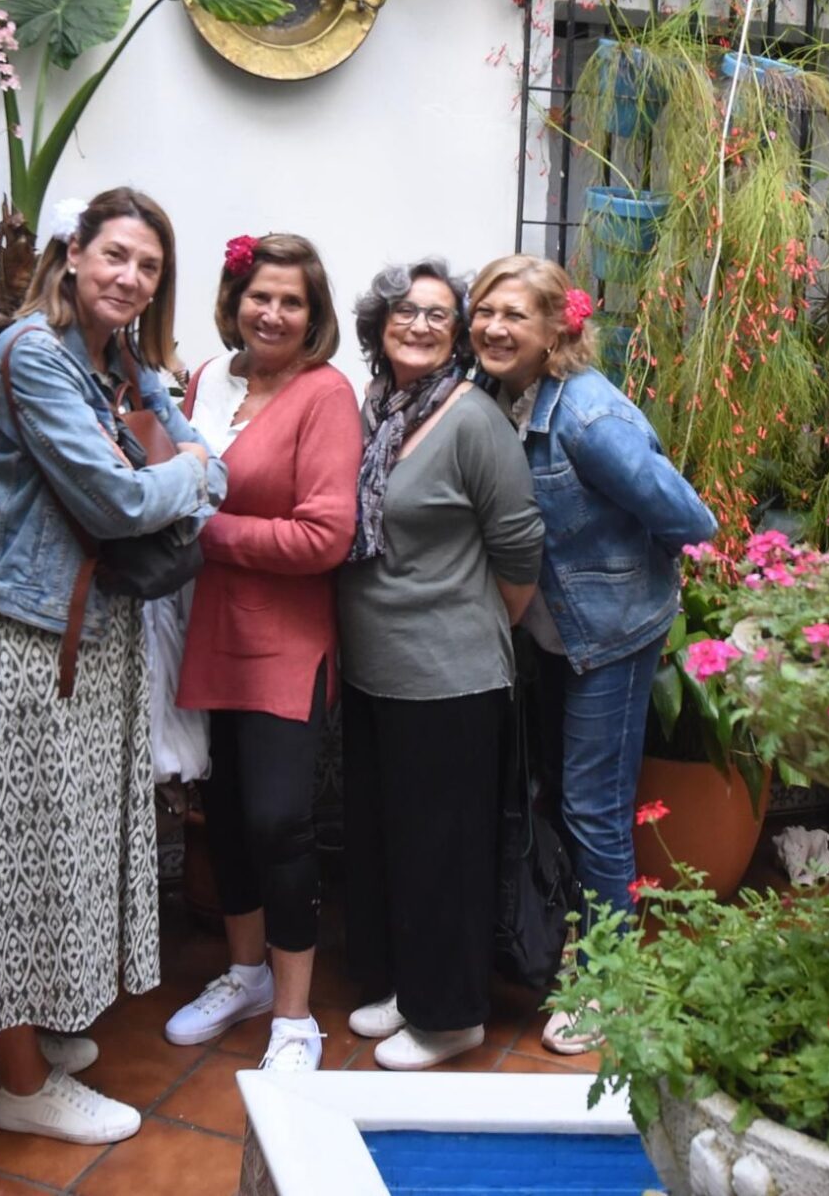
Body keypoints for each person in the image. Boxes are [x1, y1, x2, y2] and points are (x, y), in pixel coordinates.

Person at [0, 189, 225, 1146]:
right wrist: (199, 474)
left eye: (148, 266)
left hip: (91, 642)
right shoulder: (33, 355)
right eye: (117, 256)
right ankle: (21, 1085)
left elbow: (166, 449)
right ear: (74, 253)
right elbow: (114, 499)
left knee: (54, 856)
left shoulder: (119, 359)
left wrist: (177, 466)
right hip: (31, 648)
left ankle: (0, 1042)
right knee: (15, 859)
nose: (131, 278)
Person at [467, 254, 716, 1055]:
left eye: (515, 315)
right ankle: (577, 950)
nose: (495, 327)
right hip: (552, 634)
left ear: (555, 330)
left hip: (609, 634)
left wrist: (630, 577)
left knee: (593, 808)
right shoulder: (497, 400)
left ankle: (610, 986)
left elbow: (688, 514)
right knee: (561, 801)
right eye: (485, 311)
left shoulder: (587, 419)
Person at [336, 259, 545, 1071]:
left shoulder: (471, 420)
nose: (420, 325)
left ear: (456, 333)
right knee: (394, 841)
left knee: (446, 851)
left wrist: (484, 619)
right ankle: (410, 987)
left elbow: (519, 543)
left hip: (451, 672)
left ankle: (452, 1013)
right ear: (378, 325)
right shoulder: (377, 409)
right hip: (374, 665)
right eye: (405, 311)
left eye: (437, 314)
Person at [162, 233, 362, 1073]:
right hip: (208, 625)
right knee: (229, 816)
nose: (272, 313)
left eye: (291, 301)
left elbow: (326, 535)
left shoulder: (326, 396)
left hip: (285, 634)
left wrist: (207, 529)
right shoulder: (209, 380)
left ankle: (294, 1016)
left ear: (312, 316)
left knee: (282, 820)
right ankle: (243, 975)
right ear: (234, 298)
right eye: (258, 295)